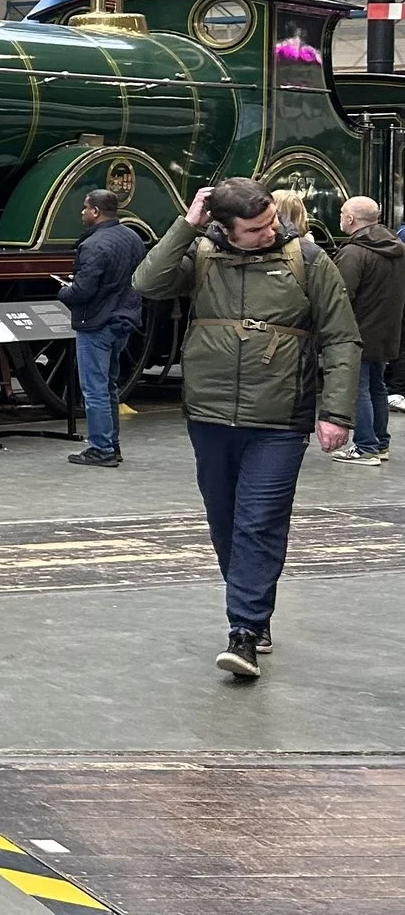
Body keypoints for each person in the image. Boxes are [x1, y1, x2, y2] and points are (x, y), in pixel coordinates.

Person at [133, 178, 360, 678]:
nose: (270, 230)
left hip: (279, 419)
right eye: (256, 228)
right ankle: (252, 604)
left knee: (259, 521)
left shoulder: (309, 259)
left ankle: (244, 629)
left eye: (270, 220)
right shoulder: (203, 255)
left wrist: (336, 413)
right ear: (225, 229)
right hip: (210, 415)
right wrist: (184, 227)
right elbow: (146, 283)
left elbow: (342, 339)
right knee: (224, 520)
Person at [57, 189, 146, 467]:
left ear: (95, 211)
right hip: (124, 318)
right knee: (109, 386)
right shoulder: (132, 237)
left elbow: (83, 290)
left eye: (85, 208)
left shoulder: (93, 245)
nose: (82, 213)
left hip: (96, 321)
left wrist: (64, 292)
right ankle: (111, 443)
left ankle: (101, 448)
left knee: (94, 388)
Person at [333, 195, 405, 465]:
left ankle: (365, 447)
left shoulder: (354, 252)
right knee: (378, 387)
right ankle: (380, 443)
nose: (341, 217)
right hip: (386, 330)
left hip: (358, 331)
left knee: (358, 387)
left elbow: (341, 294)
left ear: (351, 219)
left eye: (342, 213)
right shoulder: (396, 247)